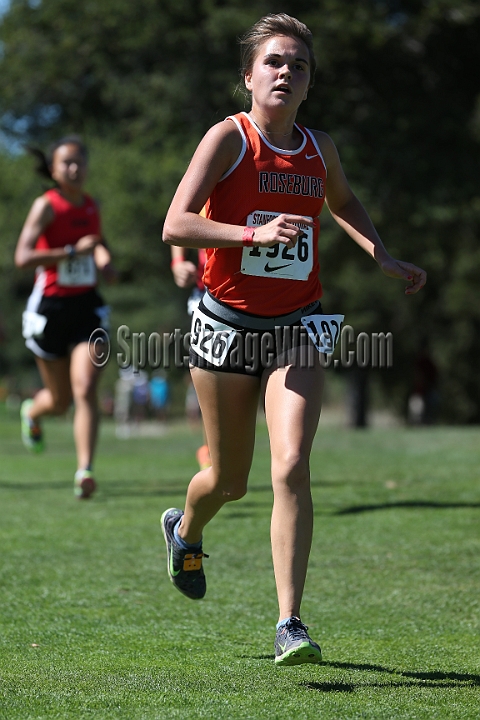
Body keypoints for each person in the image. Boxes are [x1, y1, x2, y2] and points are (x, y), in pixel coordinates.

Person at [161, 13, 426, 666]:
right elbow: (176, 224)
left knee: (291, 467)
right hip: (224, 326)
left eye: (299, 65)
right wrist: (251, 235)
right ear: (249, 76)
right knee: (228, 481)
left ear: (309, 84)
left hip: (298, 326)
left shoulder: (319, 148)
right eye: (275, 61)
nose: (286, 72)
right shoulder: (229, 138)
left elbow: (343, 202)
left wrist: (382, 256)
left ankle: (290, 622)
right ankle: (184, 529)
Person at [14, 135, 116, 499]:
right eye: (66, 163)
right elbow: (23, 257)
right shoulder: (47, 206)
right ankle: (33, 412)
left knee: (85, 388)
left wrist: (106, 263)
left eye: (80, 162)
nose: (74, 168)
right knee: (58, 402)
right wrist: (71, 251)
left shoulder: (91, 205)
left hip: (86, 307)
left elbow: (98, 245)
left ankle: (84, 470)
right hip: (49, 310)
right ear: (54, 169)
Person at [170, 243, 211, 470]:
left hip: (260, 293)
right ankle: (210, 453)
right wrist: (178, 262)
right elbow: (179, 219)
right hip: (210, 294)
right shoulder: (205, 204)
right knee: (216, 376)